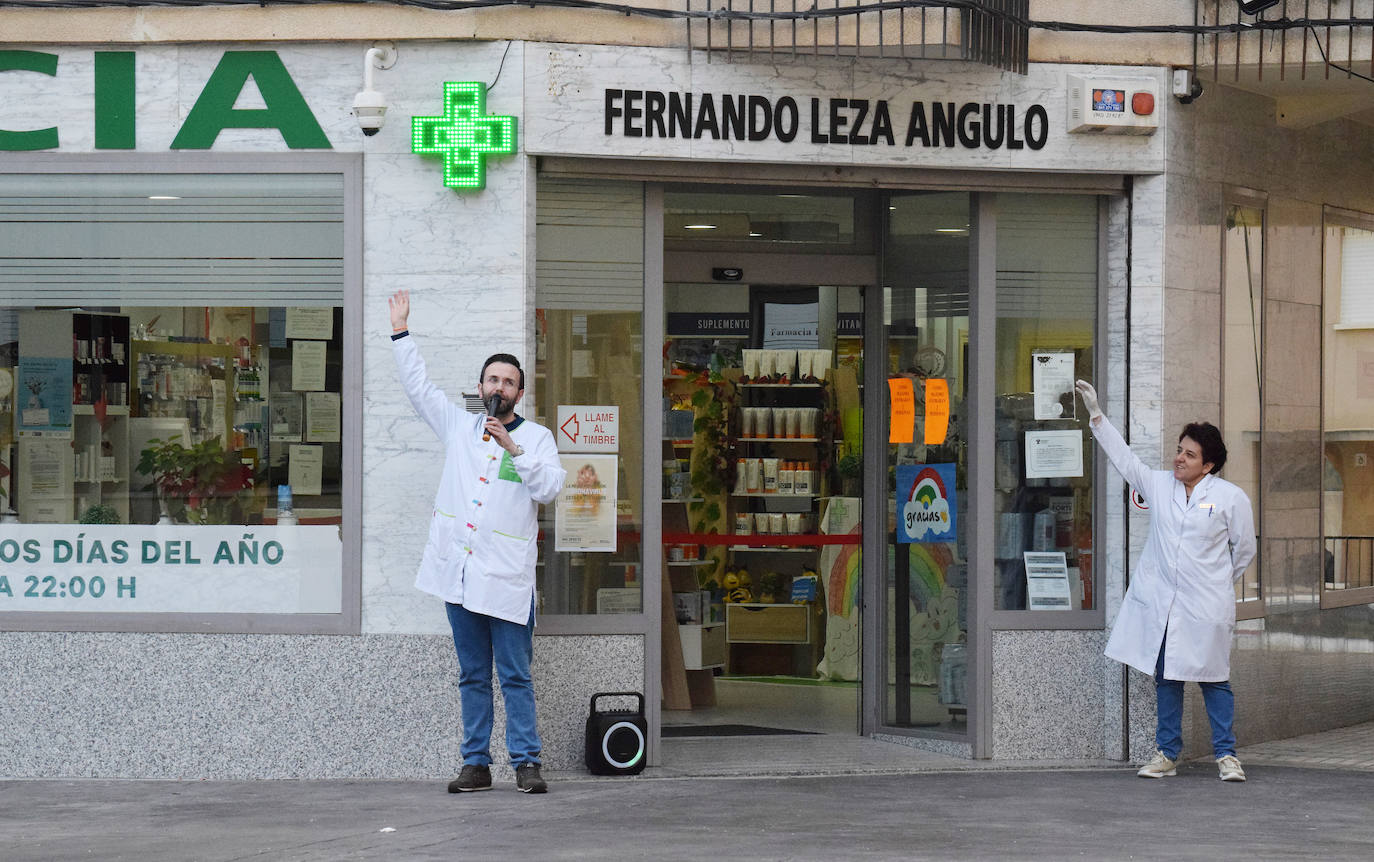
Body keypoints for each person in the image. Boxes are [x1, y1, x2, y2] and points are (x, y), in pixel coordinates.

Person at [390, 289, 566, 794]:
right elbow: (419, 388)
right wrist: (401, 332)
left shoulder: (537, 439)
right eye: (493, 378)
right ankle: (475, 763)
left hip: (507, 580)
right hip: (461, 576)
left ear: (520, 394)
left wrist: (513, 446)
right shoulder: (460, 429)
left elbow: (550, 488)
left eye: (509, 382)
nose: (500, 387)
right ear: (480, 385)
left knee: (515, 675)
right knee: (472, 675)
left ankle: (527, 762)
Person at [1075, 380, 1256, 783]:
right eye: (1179, 450)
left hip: (1206, 606)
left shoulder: (1230, 498)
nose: (1179, 459)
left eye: (1189, 454)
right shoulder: (1159, 485)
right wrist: (1096, 415)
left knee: (1214, 680)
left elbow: (1244, 549)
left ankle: (1227, 756)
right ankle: (1167, 754)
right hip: (1165, 605)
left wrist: (1218, 582)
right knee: (1167, 677)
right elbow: (1125, 461)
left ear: (1208, 465)